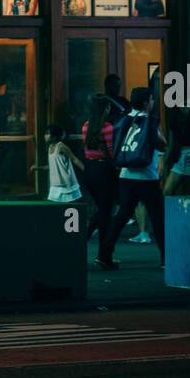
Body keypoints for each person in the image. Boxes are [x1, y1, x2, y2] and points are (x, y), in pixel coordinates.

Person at [97, 87, 167, 269]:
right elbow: (163, 144)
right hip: (147, 177)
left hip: (125, 176)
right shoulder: (150, 121)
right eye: (151, 100)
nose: (153, 103)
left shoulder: (123, 119)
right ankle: (166, 258)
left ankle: (104, 255)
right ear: (145, 103)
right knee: (158, 218)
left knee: (121, 216)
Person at [80, 83, 125, 258]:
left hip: (90, 170)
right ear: (104, 109)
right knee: (106, 212)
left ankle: (88, 234)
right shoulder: (107, 127)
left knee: (103, 209)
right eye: (107, 106)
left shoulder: (86, 125)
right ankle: (104, 255)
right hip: (104, 170)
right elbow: (111, 152)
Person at [46, 124, 84, 203]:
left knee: (69, 208)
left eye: (47, 133)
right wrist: (37, 168)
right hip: (55, 184)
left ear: (54, 136)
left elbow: (74, 159)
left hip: (66, 184)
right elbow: (52, 165)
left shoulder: (61, 146)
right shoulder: (50, 147)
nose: (45, 136)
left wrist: (87, 170)